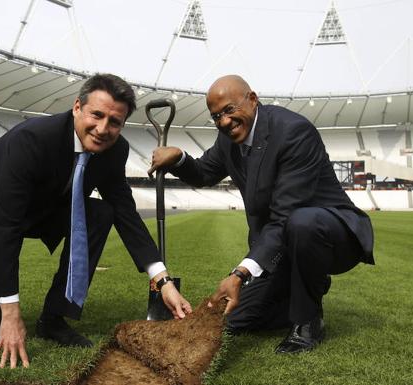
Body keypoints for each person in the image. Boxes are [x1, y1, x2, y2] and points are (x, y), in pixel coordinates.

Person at [0, 73, 192, 369]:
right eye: (97, 115)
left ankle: (54, 319)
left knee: (102, 213)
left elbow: (124, 211)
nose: (103, 128)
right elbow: (4, 225)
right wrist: (11, 312)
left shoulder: (115, 150)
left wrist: (162, 281)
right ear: (77, 107)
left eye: (114, 122)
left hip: (39, 209)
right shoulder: (33, 139)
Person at [149, 75, 374, 354]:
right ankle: (295, 294)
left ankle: (307, 320)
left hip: (330, 234)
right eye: (216, 116)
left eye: (229, 110)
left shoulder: (294, 132)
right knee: (232, 319)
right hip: (282, 245)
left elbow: (285, 216)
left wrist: (240, 273)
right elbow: (205, 172)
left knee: (301, 222)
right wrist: (179, 158)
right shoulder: (227, 140)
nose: (224, 122)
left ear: (252, 99)